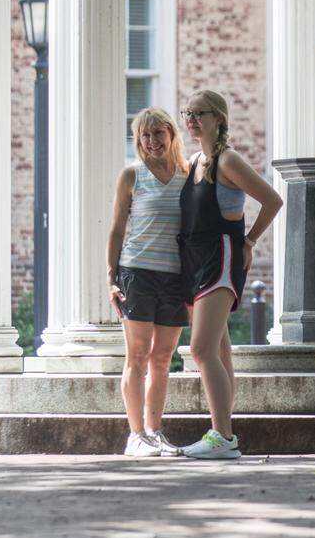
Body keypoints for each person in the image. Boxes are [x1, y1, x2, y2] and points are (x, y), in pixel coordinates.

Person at [177, 90, 283, 459]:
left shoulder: (227, 160)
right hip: (195, 262)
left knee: (201, 349)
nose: (190, 120)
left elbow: (272, 200)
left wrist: (250, 241)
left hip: (220, 259)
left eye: (198, 113)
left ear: (218, 118)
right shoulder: (194, 161)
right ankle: (223, 432)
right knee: (219, 351)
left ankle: (223, 436)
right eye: (186, 113)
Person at [107, 107, 190, 457]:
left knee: (162, 359)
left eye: (159, 134)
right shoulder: (131, 176)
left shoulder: (189, 176)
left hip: (175, 277)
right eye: (145, 135)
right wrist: (111, 278)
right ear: (138, 140)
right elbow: (116, 230)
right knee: (137, 356)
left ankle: (155, 433)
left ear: (171, 135)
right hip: (136, 273)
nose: (152, 141)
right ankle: (136, 436)